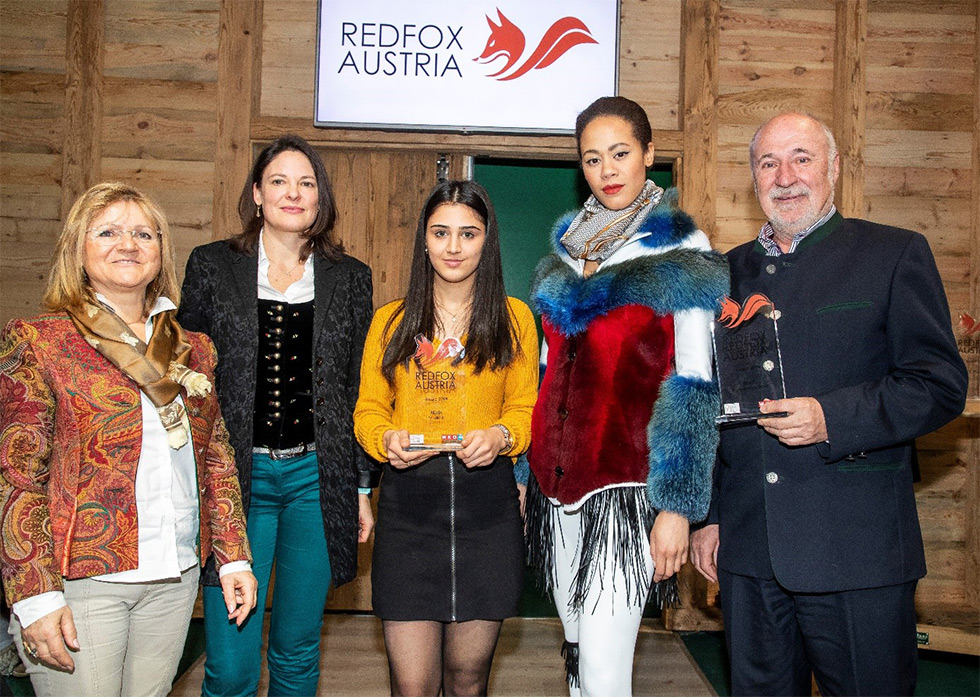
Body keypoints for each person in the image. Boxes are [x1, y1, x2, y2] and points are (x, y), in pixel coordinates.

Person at [690, 112, 969, 696]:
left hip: (856, 551)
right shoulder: (722, 274)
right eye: (769, 163)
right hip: (749, 550)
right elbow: (707, 401)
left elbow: (939, 383)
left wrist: (831, 419)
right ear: (753, 177)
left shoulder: (893, 254)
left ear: (834, 168)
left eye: (802, 158)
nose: (785, 176)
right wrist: (710, 517)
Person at [0, 182, 256, 697]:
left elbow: (216, 458)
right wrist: (34, 595)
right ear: (78, 248)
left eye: (144, 234)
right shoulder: (40, 342)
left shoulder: (193, 348)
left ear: (160, 251)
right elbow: (16, 475)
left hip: (175, 576)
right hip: (80, 581)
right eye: (108, 232)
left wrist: (233, 555)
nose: (128, 244)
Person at [521, 96, 729, 697]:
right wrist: (522, 476)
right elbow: (546, 372)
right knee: (576, 653)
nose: (607, 170)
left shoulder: (681, 250)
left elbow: (695, 381)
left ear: (649, 154)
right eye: (592, 159)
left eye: (620, 153)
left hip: (629, 492)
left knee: (606, 671)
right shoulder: (568, 249)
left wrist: (678, 506)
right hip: (554, 488)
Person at [178, 134, 376, 697]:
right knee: (231, 664)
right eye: (280, 181)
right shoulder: (213, 265)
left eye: (306, 183)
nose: (293, 193)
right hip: (236, 481)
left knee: (297, 649)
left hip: (316, 480)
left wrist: (362, 486)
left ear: (321, 198)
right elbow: (188, 378)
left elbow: (357, 387)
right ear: (258, 194)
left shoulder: (349, 276)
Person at [353, 180, 538, 696]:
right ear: (424, 240)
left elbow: (525, 409)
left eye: (468, 234)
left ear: (487, 240)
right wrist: (385, 438)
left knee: (467, 679)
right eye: (440, 233)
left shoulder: (516, 318)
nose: (453, 247)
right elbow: (368, 409)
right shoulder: (390, 321)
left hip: (488, 513)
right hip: (409, 513)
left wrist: (501, 435)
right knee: (412, 685)